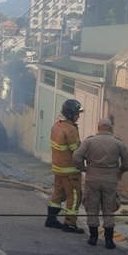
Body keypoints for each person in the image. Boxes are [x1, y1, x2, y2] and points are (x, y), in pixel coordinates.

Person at [72, 118, 128, 249]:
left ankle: (93, 237)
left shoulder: (89, 141)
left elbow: (76, 157)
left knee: (92, 208)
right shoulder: (118, 143)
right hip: (110, 180)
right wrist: (121, 170)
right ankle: (109, 240)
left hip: (92, 178)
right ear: (110, 128)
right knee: (108, 209)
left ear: (98, 128)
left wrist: (84, 169)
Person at [45, 99, 85, 233]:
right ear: (70, 114)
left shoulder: (57, 126)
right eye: (77, 113)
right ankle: (70, 224)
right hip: (70, 171)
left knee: (57, 194)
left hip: (58, 168)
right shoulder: (70, 129)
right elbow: (77, 152)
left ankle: (51, 220)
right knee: (74, 197)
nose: (78, 116)